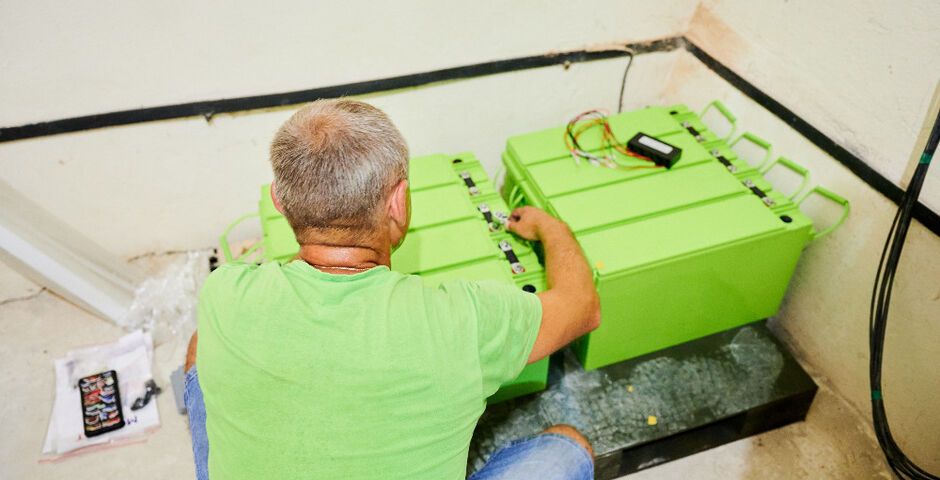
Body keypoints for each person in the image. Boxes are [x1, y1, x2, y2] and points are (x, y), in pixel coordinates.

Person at [183, 99, 601, 479]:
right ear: (398, 202)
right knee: (567, 449)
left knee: (199, 346)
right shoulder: (467, 321)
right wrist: (552, 229)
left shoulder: (224, 292)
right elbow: (583, 306)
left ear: (279, 201)